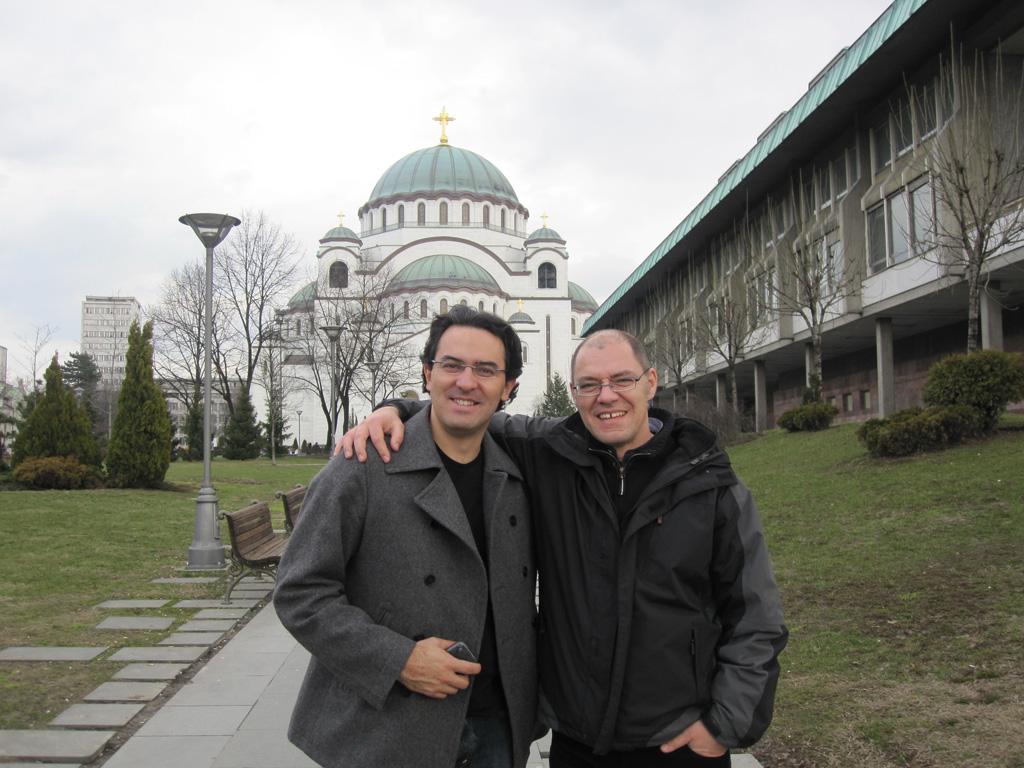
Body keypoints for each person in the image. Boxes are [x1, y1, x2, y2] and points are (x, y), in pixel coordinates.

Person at [339, 329, 787, 767]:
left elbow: (755, 616)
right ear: (573, 392)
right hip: (577, 743)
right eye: (589, 385)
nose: (605, 396)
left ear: (650, 383)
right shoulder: (547, 454)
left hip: (679, 743)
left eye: (622, 380)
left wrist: (724, 725)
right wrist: (394, 409)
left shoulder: (708, 484)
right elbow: (464, 406)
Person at [275, 306, 539, 768]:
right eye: (451, 365)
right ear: (426, 372)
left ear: (508, 387)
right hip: (387, 730)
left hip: (498, 725)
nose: (466, 381)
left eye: (485, 370)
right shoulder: (363, 464)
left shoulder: (519, 474)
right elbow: (300, 592)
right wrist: (398, 660)